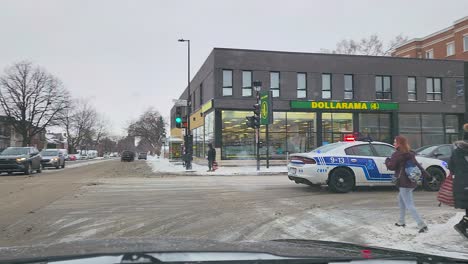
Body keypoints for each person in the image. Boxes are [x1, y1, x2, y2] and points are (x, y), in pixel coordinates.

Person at [385, 135, 429, 233]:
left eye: (395, 142)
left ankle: (421, 225)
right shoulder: (410, 153)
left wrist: (387, 161)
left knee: (409, 204)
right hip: (411, 180)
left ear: (399, 143)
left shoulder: (397, 154)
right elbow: (417, 164)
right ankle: (401, 221)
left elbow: (391, 166)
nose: (394, 143)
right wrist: (426, 174)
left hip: (403, 182)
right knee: (401, 200)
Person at [448, 123, 468, 239]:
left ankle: (463, 226)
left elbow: (451, 167)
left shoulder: (456, 151)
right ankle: (462, 225)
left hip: (460, 184)